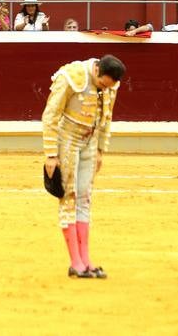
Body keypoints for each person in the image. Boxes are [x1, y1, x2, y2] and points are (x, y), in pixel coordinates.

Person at [42, 53, 126, 278]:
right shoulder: (72, 75)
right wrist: (51, 154)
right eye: (101, 84)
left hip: (90, 142)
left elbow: (106, 118)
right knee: (69, 197)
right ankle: (75, 262)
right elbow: (50, 115)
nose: (104, 89)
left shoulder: (110, 85)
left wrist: (100, 150)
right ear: (97, 70)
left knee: (85, 197)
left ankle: (86, 260)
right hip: (67, 140)